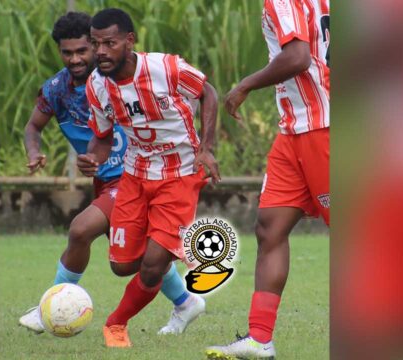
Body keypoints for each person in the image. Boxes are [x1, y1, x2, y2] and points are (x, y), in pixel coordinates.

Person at [17, 11, 202, 336]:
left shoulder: (120, 77)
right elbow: (34, 126)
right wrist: (34, 152)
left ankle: (51, 304)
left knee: (79, 230)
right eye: (67, 52)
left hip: (132, 175)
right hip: (106, 179)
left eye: (84, 50)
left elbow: (190, 96)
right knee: (134, 259)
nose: (76, 59)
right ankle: (185, 301)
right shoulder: (58, 90)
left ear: (100, 45)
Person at [80, 8, 219, 348]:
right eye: (95, 44)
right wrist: (92, 159)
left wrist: (206, 148)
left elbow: (208, 93)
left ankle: (115, 325)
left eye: (109, 43)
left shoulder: (166, 68)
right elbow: (102, 135)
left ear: (129, 41)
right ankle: (186, 301)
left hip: (180, 173)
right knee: (123, 266)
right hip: (135, 175)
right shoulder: (96, 85)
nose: (100, 51)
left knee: (153, 265)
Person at [206, 0, 330, 358]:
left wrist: (245, 84)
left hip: (323, 128)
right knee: (269, 227)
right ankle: (260, 339)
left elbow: (297, 58)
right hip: (293, 130)